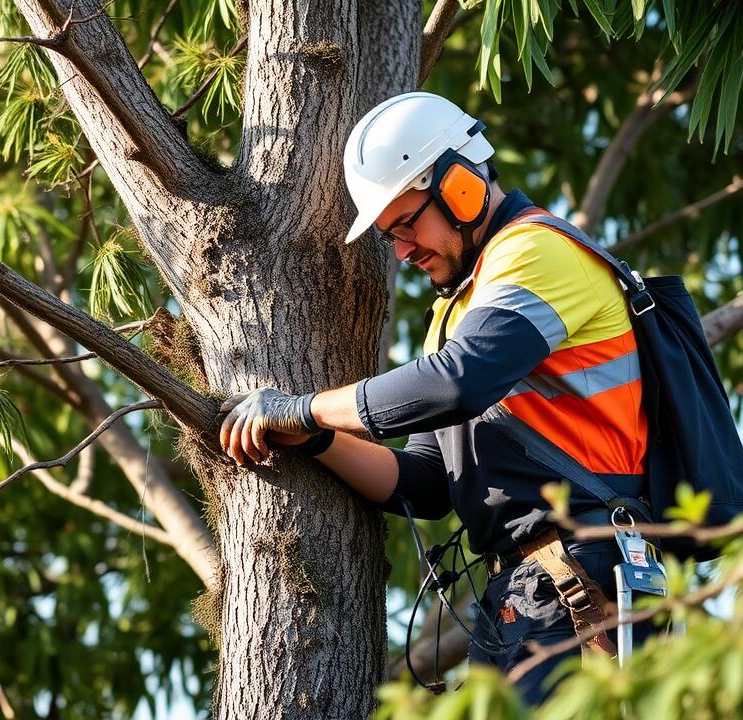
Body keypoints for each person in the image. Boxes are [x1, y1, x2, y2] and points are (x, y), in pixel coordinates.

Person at [218, 91, 653, 705]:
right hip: (525, 594)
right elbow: (424, 481)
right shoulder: (459, 309)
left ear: (461, 186)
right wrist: (316, 438)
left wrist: (302, 405)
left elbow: (456, 382)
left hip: (584, 578)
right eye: (390, 234)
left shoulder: (537, 252)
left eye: (406, 223)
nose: (401, 250)